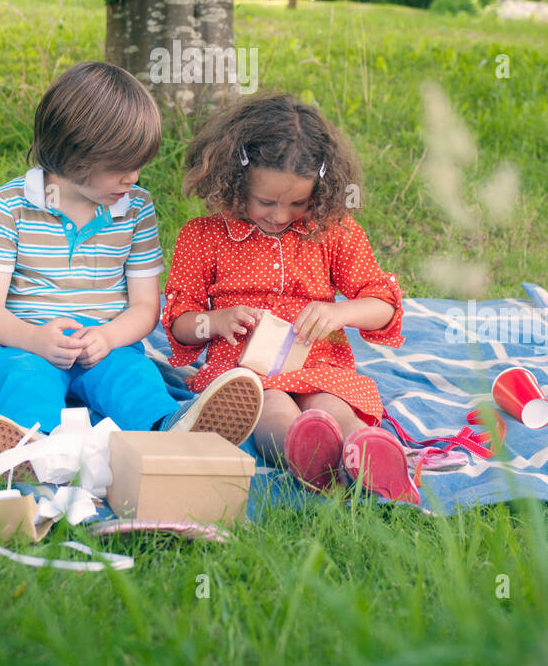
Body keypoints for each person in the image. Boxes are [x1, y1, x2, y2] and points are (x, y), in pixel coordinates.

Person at [0, 62, 263, 466]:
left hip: (109, 345)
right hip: (25, 344)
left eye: (139, 166)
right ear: (74, 156)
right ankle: (30, 449)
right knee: (26, 381)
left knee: (134, 380)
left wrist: (110, 338)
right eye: (120, 167)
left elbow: (145, 307)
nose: (132, 178)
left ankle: (171, 429)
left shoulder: (135, 208)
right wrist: (36, 340)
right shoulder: (13, 204)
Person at [160, 90, 419, 502]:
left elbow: (382, 305)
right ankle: (306, 454)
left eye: (297, 202)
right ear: (236, 178)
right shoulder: (203, 237)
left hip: (317, 359)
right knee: (274, 407)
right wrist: (218, 319)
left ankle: (369, 453)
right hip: (245, 370)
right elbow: (179, 321)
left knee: (331, 407)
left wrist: (340, 314)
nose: (280, 216)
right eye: (266, 201)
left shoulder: (332, 230)